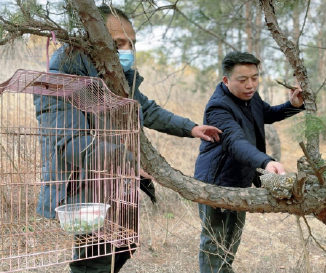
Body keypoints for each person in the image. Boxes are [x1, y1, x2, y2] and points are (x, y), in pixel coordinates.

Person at [33, 5, 221, 273]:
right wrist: (131, 163)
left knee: (123, 247)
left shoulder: (113, 76)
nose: (126, 50)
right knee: (95, 261)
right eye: (118, 42)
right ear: (91, 38)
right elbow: (72, 144)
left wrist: (190, 128)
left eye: (131, 43)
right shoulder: (60, 80)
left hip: (118, 185)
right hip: (85, 189)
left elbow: (145, 107)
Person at [194, 51, 304, 273]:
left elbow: (267, 114)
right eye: (242, 80)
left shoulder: (250, 97)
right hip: (214, 182)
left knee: (232, 238)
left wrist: (292, 105)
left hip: (240, 178)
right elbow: (235, 141)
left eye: (254, 78)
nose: (250, 85)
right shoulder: (218, 107)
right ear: (226, 80)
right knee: (214, 241)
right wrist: (265, 162)